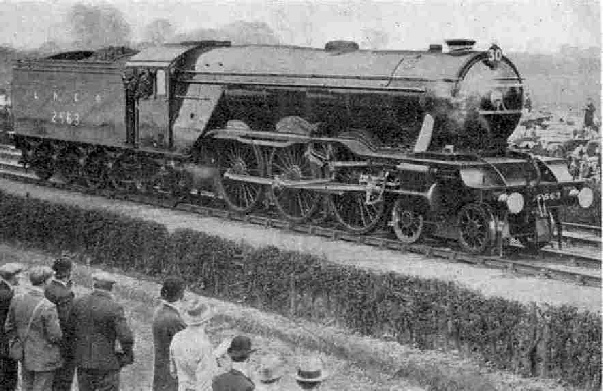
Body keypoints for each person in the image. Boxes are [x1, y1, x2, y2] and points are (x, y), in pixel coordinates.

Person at [68, 272, 134, 391]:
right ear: (111, 288)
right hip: (106, 363)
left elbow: (70, 330)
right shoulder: (114, 307)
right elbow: (126, 337)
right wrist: (128, 355)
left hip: (83, 361)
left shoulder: (78, 302)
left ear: (94, 285)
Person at [5, 266, 63, 391]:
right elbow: (55, 336)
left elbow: (9, 327)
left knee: (26, 386)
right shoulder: (48, 306)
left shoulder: (17, 299)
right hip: (45, 358)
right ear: (45, 281)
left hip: (24, 354)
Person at [170, 299, 220, 391]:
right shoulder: (204, 345)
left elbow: (173, 371)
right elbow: (207, 380)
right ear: (207, 321)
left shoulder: (177, 337)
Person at [44, 256, 76, 391]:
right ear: (68, 272)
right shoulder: (65, 294)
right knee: (63, 380)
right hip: (64, 343)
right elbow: (67, 320)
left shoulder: (49, 287)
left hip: (47, 339)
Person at [153, 277, 187, 391]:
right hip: (172, 370)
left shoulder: (160, 310)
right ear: (180, 294)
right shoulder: (174, 319)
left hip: (161, 364)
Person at [0, 263, 25, 391]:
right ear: (12, 276)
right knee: (8, 377)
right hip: (6, 342)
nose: (21, 277)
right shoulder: (7, 296)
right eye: (18, 274)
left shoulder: (5, 290)